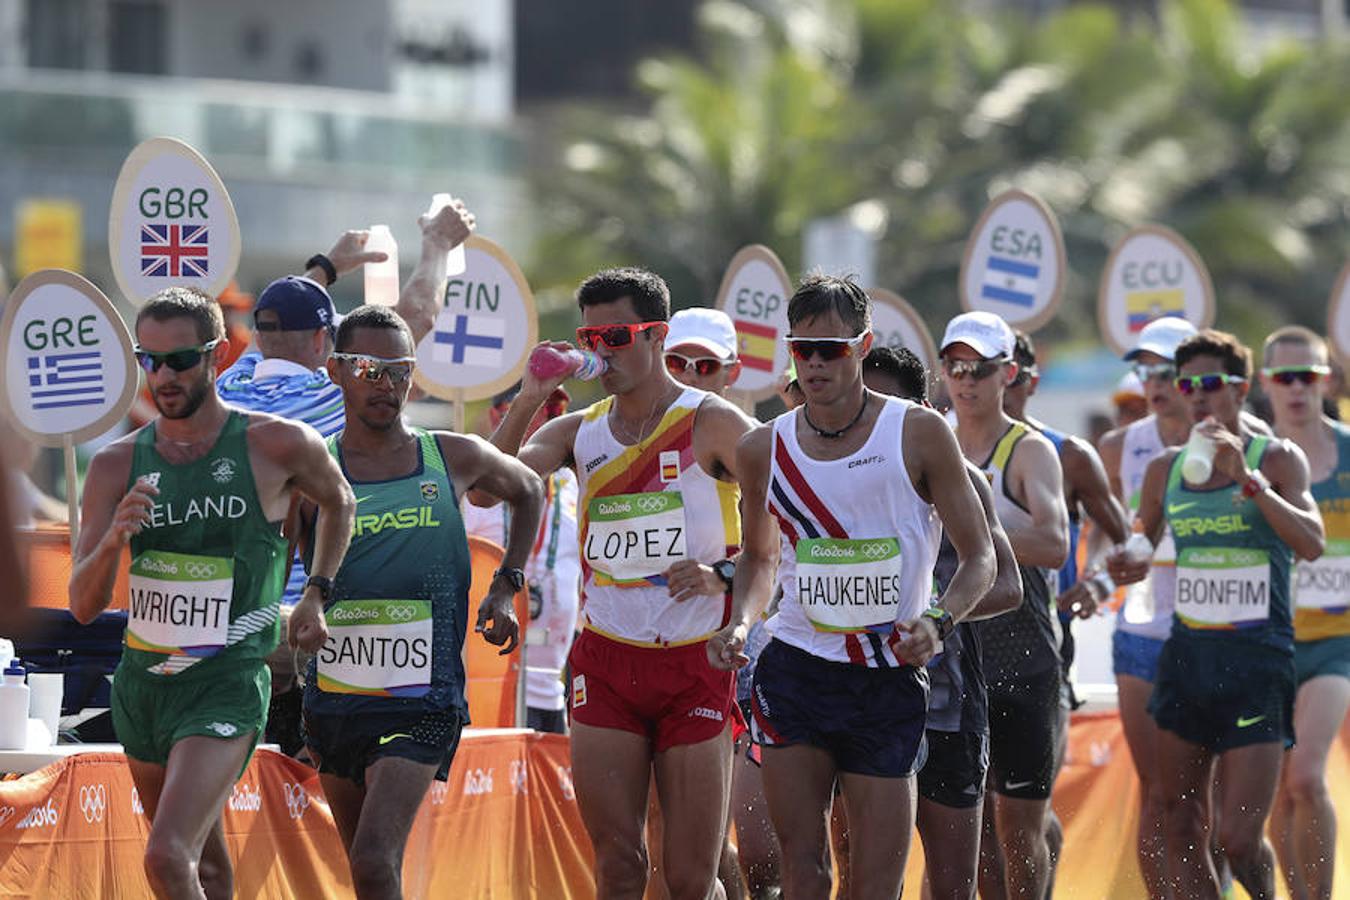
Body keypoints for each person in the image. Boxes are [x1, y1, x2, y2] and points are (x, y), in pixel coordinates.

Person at [709, 276, 997, 900]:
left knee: (875, 882)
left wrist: (940, 621)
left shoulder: (918, 434)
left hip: (887, 676)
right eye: (802, 349)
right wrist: (740, 621)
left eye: (831, 348)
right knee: (803, 871)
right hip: (796, 668)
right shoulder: (763, 448)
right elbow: (759, 558)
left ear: (863, 345)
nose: (814, 363)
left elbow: (980, 559)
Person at [68, 287, 356, 899]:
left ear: (219, 355)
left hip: (227, 680)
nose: (163, 377)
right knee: (205, 867)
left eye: (180, 360)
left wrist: (317, 594)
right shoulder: (115, 465)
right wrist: (116, 535)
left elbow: (340, 502)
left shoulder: (277, 443)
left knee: (168, 858)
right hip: (144, 686)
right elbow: (82, 603)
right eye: (150, 361)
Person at [479, 267, 757, 899]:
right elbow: (486, 485)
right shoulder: (579, 429)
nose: (601, 351)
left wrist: (725, 575)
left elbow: (788, 528)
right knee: (619, 867)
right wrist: (529, 396)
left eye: (617, 335)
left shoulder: (713, 424)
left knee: (689, 878)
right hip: (605, 662)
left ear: (656, 335)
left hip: (695, 664)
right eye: (590, 336)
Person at [300, 305, 540, 900]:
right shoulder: (311, 468)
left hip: (424, 695)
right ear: (336, 371)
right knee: (365, 870)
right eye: (368, 369)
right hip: (335, 694)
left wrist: (507, 584)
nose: (386, 385)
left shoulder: (449, 456)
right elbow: (276, 564)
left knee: (377, 859)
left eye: (399, 370)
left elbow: (530, 488)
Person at [219, 206, 474, 754]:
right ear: (325, 346)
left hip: (229, 622)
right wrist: (436, 247)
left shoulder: (227, 387)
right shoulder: (330, 396)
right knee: (314, 800)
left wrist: (324, 267)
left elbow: (282, 316)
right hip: (308, 629)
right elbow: (413, 320)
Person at [1107, 328, 1324, 899]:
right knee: (1180, 823)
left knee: (1237, 839)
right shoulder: (1165, 470)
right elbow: (1139, 545)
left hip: (1257, 665)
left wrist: (1248, 480)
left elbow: (1311, 542)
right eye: (1188, 385)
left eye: (1211, 384)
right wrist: (1121, 563)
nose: (1198, 396)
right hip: (1188, 661)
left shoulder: (1275, 458)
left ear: (1242, 389)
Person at [864, 345, 1023, 900]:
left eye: (893, 405)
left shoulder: (967, 480)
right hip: (855, 699)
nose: (878, 419)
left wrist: (935, 618)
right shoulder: (832, 478)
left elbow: (1007, 585)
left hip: (948, 706)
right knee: (862, 877)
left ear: (923, 410)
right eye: (869, 402)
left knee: (956, 884)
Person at [939, 311, 1069, 900]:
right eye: (956, 366)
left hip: (1021, 661)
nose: (966, 380)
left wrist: (978, 536)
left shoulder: (1029, 450)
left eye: (981, 369)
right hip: (953, 665)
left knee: (1019, 834)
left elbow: (1055, 543)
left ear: (1008, 373)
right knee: (964, 836)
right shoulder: (928, 437)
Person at [1003, 330, 1129, 896]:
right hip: (965, 644)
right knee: (979, 816)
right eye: (972, 369)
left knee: (1025, 810)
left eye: (1005, 372)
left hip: (1047, 641)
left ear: (1028, 381)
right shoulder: (943, 444)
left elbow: (1125, 538)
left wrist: (1096, 582)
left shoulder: (1067, 453)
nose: (988, 383)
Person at [1095, 316, 1197, 897]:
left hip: (1217, 634)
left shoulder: (1238, 440)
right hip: (1140, 632)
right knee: (1156, 792)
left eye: (1167, 371)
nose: (1154, 383)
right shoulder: (1117, 448)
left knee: (1206, 803)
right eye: (1145, 370)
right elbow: (1102, 544)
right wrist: (1098, 575)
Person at [1260, 326, 1350, 900]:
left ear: (1327, 381)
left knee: (1306, 776)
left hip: (1336, 642)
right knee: (1274, 794)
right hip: (1271, 641)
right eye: (1284, 377)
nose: (1297, 389)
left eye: (1307, 377)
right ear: (1265, 384)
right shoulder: (1253, 459)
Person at [462, 384, 580, 734]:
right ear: (498, 415)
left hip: (551, 689)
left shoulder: (571, 484)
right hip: (486, 688)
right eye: (535, 410)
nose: (547, 421)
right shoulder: (472, 489)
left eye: (553, 412)